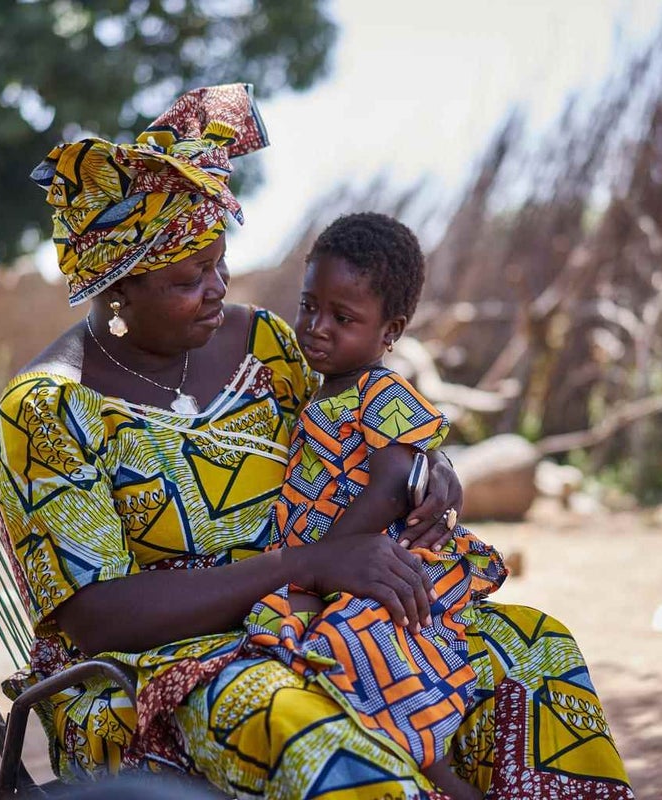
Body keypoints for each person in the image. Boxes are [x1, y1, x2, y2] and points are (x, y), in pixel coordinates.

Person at [0, 83, 634, 799]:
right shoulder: (51, 409)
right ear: (118, 290)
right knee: (320, 739)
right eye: (188, 278)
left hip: (313, 623)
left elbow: (355, 429)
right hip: (149, 680)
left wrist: (428, 467)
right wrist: (317, 563)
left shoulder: (262, 344)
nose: (217, 288)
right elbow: (103, 619)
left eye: (219, 263)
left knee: (533, 648)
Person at [245, 213, 508, 800]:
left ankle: (440, 780)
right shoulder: (318, 389)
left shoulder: (380, 392)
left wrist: (320, 561)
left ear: (390, 331)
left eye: (343, 319)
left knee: (355, 646)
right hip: (332, 564)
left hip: (373, 566)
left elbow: (392, 485)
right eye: (309, 305)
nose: (316, 328)